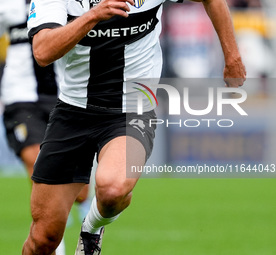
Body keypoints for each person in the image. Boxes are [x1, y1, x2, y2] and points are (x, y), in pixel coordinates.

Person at [23, 0, 246, 254]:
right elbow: (42, 51)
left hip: (132, 109)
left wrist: (232, 56)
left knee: (113, 188)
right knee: (43, 239)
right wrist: (94, 15)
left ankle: (92, 229)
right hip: (73, 112)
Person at [0, 0, 90, 253]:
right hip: (19, 98)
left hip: (66, 95)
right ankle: (54, 242)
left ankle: (78, 207)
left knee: (79, 192)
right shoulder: (0, 3)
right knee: (36, 161)